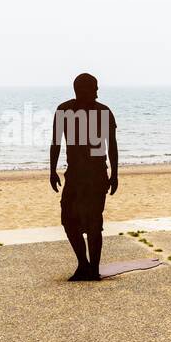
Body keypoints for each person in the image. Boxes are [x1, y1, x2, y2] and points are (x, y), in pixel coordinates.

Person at [50, 73, 118, 281]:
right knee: (68, 220)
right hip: (74, 176)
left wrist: (115, 174)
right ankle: (83, 264)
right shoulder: (64, 110)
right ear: (80, 90)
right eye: (94, 88)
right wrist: (51, 171)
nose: (97, 92)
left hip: (97, 176)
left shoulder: (104, 112)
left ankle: (93, 269)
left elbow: (112, 145)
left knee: (94, 223)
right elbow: (56, 143)